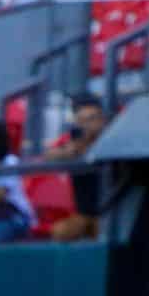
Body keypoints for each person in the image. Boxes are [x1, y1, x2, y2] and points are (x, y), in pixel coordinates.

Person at [43, 92, 107, 241]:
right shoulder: (73, 141)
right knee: (59, 232)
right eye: (81, 120)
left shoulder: (110, 138)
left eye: (91, 119)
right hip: (82, 213)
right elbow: (48, 155)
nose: (87, 125)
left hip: (109, 211)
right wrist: (69, 152)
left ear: (102, 120)